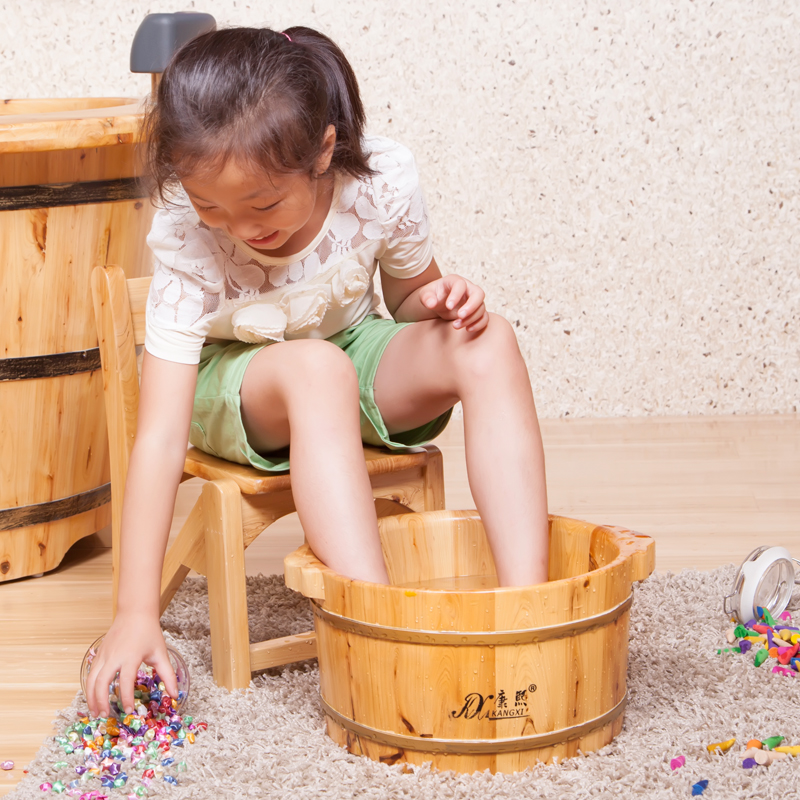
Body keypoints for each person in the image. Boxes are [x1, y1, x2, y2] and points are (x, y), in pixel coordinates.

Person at [86, 25, 549, 718]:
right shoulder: (185, 235)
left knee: (487, 342)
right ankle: (385, 628)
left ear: (324, 152)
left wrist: (444, 299)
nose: (240, 227)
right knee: (315, 369)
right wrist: (133, 611)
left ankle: (529, 613)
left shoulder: (380, 179)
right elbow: (158, 437)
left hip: (346, 347)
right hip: (236, 388)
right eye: (214, 207)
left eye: (264, 204)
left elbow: (406, 297)